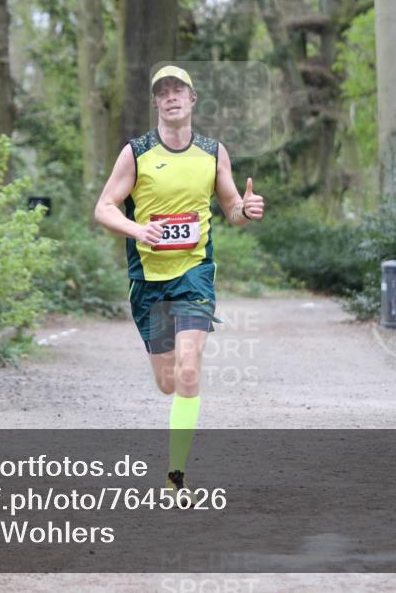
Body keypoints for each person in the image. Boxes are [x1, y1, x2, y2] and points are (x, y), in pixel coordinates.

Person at [93, 65, 265, 501]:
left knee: (189, 370)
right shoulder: (136, 152)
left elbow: (231, 211)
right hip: (148, 279)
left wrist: (246, 210)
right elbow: (105, 207)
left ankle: (174, 475)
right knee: (168, 382)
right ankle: (175, 431)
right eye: (163, 92)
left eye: (179, 91)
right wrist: (137, 231)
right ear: (156, 102)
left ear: (192, 100)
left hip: (194, 275)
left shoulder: (212, 152)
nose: (171, 97)